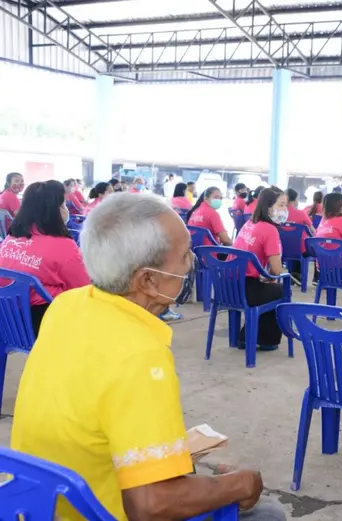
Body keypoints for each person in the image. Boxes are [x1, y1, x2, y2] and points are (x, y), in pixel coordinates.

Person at [10, 192, 287, 521]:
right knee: (267, 512)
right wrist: (240, 484)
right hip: (99, 511)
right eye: (184, 256)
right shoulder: (139, 354)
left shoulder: (67, 306)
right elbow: (149, 505)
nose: (191, 264)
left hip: (42, 504)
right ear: (147, 280)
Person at [0, 180, 90, 335]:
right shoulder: (64, 247)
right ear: (52, 211)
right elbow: (84, 288)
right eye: (63, 205)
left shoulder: (11, 238)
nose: (65, 210)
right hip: (43, 325)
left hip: (8, 321)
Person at [233, 188, 288, 351]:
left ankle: (246, 336)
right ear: (268, 206)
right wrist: (273, 276)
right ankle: (267, 340)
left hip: (228, 286)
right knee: (280, 290)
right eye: (281, 205)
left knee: (269, 289)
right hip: (247, 289)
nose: (285, 210)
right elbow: (277, 270)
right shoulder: (270, 230)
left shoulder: (250, 223)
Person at [284, 188, 315, 284]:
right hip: (300, 250)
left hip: (281, 248)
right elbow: (313, 231)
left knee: (291, 243)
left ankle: (293, 274)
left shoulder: (278, 213)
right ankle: (316, 278)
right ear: (295, 199)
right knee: (304, 246)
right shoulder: (301, 214)